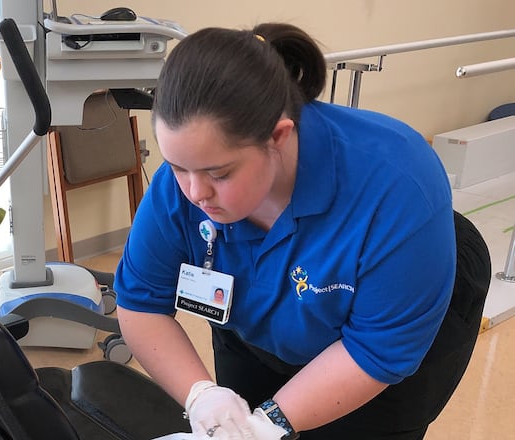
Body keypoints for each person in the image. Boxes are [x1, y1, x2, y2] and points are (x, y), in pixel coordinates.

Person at [114, 23, 491, 440]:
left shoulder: (398, 185)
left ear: (279, 136)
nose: (195, 193)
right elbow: (140, 302)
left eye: (218, 173)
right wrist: (201, 395)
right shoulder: (186, 181)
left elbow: (374, 350)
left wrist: (270, 422)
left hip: (396, 302)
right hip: (262, 313)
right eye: (177, 167)